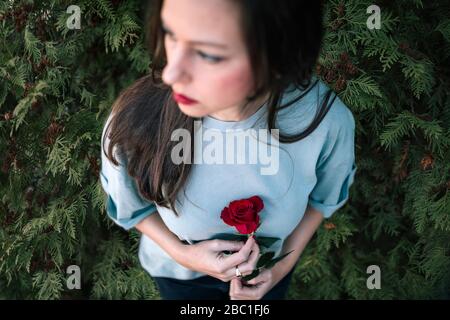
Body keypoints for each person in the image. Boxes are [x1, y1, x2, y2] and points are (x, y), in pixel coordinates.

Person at [99, 0, 357, 300]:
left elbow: (322, 200)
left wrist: (278, 270)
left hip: (267, 279)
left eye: (208, 54)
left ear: (277, 54)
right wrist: (182, 254)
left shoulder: (325, 123)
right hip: (180, 278)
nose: (171, 74)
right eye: (170, 35)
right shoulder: (134, 122)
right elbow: (133, 208)